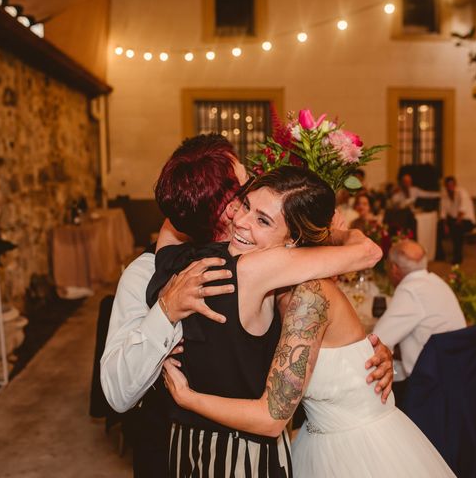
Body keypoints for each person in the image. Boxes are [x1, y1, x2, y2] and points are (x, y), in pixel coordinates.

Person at [100, 135, 394, 477]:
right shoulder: (149, 272)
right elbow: (116, 394)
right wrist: (164, 312)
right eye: (243, 194)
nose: (243, 214)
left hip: (199, 449)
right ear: (221, 205)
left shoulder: (179, 257)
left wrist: (355, 358)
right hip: (180, 450)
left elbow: (300, 340)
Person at [162, 169, 456, 477]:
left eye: (263, 220)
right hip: (317, 439)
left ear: (293, 239)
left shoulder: (309, 295)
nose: (241, 221)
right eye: (246, 206)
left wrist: (187, 398)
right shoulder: (275, 286)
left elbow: (271, 419)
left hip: (358, 453)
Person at [372, 240, 467, 406]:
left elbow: (377, 341)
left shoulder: (410, 291)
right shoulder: (436, 281)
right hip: (457, 373)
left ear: (394, 268)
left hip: (430, 387)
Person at [437, 176, 476, 264]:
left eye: (452, 185)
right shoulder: (445, 195)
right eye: (448, 186)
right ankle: (440, 254)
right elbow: (443, 213)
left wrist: (453, 224)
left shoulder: (462, 193)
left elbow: (462, 211)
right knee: (438, 226)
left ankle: (458, 257)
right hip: (453, 220)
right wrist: (445, 225)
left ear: (455, 185)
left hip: (467, 220)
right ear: (445, 186)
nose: (450, 188)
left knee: (457, 228)